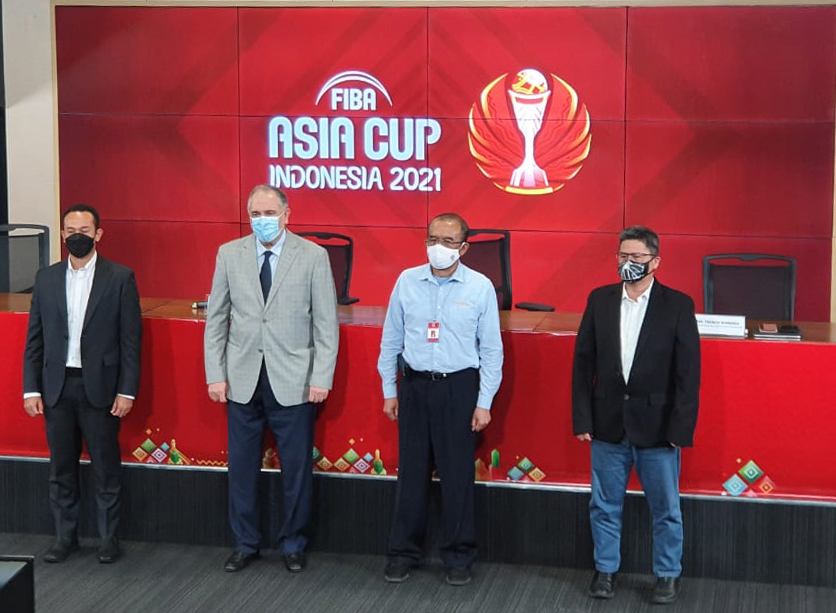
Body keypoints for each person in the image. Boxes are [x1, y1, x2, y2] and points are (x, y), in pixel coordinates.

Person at [204, 184, 338, 573]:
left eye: (269, 213)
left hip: (295, 380)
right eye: (255, 214)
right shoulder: (229, 254)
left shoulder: (312, 256)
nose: (262, 220)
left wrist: (321, 376)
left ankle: (293, 543)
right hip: (242, 379)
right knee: (241, 469)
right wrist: (215, 374)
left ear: (286, 215)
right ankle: (245, 543)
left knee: (295, 470)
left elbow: (326, 323)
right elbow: (217, 319)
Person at [572, 225, 700, 605]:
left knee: (666, 509)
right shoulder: (600, 300)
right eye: (623, 256)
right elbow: (583, 364)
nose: (628, 262)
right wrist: (582, 419)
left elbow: (688, 374)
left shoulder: (677, 305)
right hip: (607, 423)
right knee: (604, 505)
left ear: (655, 262)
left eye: (637, 257)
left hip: (658, 427)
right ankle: (605, 570)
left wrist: (680, 428)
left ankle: (667, 574)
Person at [378, 213, 503, 587]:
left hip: (459, 388)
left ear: (464, 248)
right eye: (433, 239)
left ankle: (459, 555)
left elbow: (491, 350)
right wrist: (389, 390)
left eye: (449, 241)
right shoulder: (407, 281)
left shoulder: (480, 287)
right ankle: (403, 552)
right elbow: (391, 340)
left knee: (457, 476)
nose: (439, 247)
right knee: (411, 474)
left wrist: (484, 402)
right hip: (414, 387)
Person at [22, 204, 142, 564]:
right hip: (56, 388)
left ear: (98, 234)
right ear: (62, 234)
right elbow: (34, 339)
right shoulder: (46, 278)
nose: (77, 236)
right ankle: (65, 538)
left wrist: (127, 390)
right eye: (71, 230)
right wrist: (31, 388)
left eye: (84, 231)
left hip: (101, 389)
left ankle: (108, 539)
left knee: (106, 468)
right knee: (61, 468)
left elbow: (130, 341)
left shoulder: (119, 278)